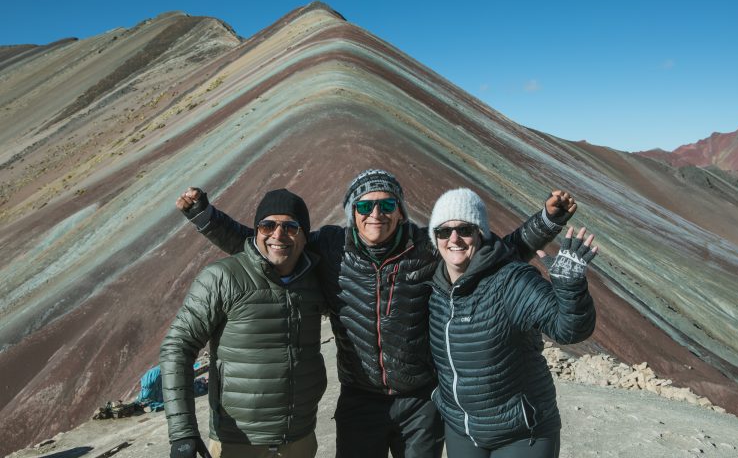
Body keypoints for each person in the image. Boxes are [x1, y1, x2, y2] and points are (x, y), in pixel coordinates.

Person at [176, 169, 576, 458]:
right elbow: (270, 246)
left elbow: (492, 253)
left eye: (387, 204)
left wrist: (547, 221)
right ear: (352, 211)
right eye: (365, 205)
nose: (376, 213)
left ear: (401, 211)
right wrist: (205, 218)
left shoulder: (427, 246)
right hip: (359, 399)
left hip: (421, 400)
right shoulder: (330, 248)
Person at [426, 188, 597, 457]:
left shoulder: (512, 280)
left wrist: (571, 287)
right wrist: (546, 220)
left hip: (521, 434)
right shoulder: (435, 288)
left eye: (465, 229)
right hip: (463, 431)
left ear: (481, 233)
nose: (454, 238)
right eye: (444, 231)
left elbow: (568, 329)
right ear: (435, 239)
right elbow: (514, 244)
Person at [160, 189, 327, 458]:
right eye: (268, 225)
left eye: (290, 226)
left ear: (305, 235)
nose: (278, 234)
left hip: (300, 440)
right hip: (237, 443)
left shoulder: (315, 279)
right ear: (256, 230)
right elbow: (177, 347)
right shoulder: (222, 278)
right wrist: (182, 433)